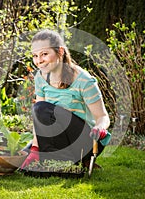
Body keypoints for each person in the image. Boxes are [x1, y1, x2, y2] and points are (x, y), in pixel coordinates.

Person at [20, 29, 111, 169]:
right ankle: (59, 159)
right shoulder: (40, 77)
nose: (39, 61)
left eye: (44, 54)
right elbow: (39, 119)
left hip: (85, 141)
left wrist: (100, 127)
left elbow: (103, 117)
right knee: (21, 156)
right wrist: (35, 149)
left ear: (60, 52)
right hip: (58, 138)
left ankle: (69, 160)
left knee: (41, 108)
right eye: (35, 56)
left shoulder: (83, 80)